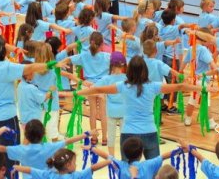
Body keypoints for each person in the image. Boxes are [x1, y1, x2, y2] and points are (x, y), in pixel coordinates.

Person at [78, 55, 208, 159]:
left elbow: (98, 89)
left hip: (129, 134)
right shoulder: (153, 86)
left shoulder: (123, 86)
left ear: (129, 70)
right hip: (149, 132)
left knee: (128, 170)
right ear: (145, 70)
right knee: (153, 169)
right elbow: (180, 86)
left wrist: (74, 93)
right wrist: (204, 88)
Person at [0, 34, 51, 172]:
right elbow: (31, 67)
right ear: (2, 50)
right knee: (11, 159)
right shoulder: (8, 67)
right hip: (6, 119)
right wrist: (51, 64)